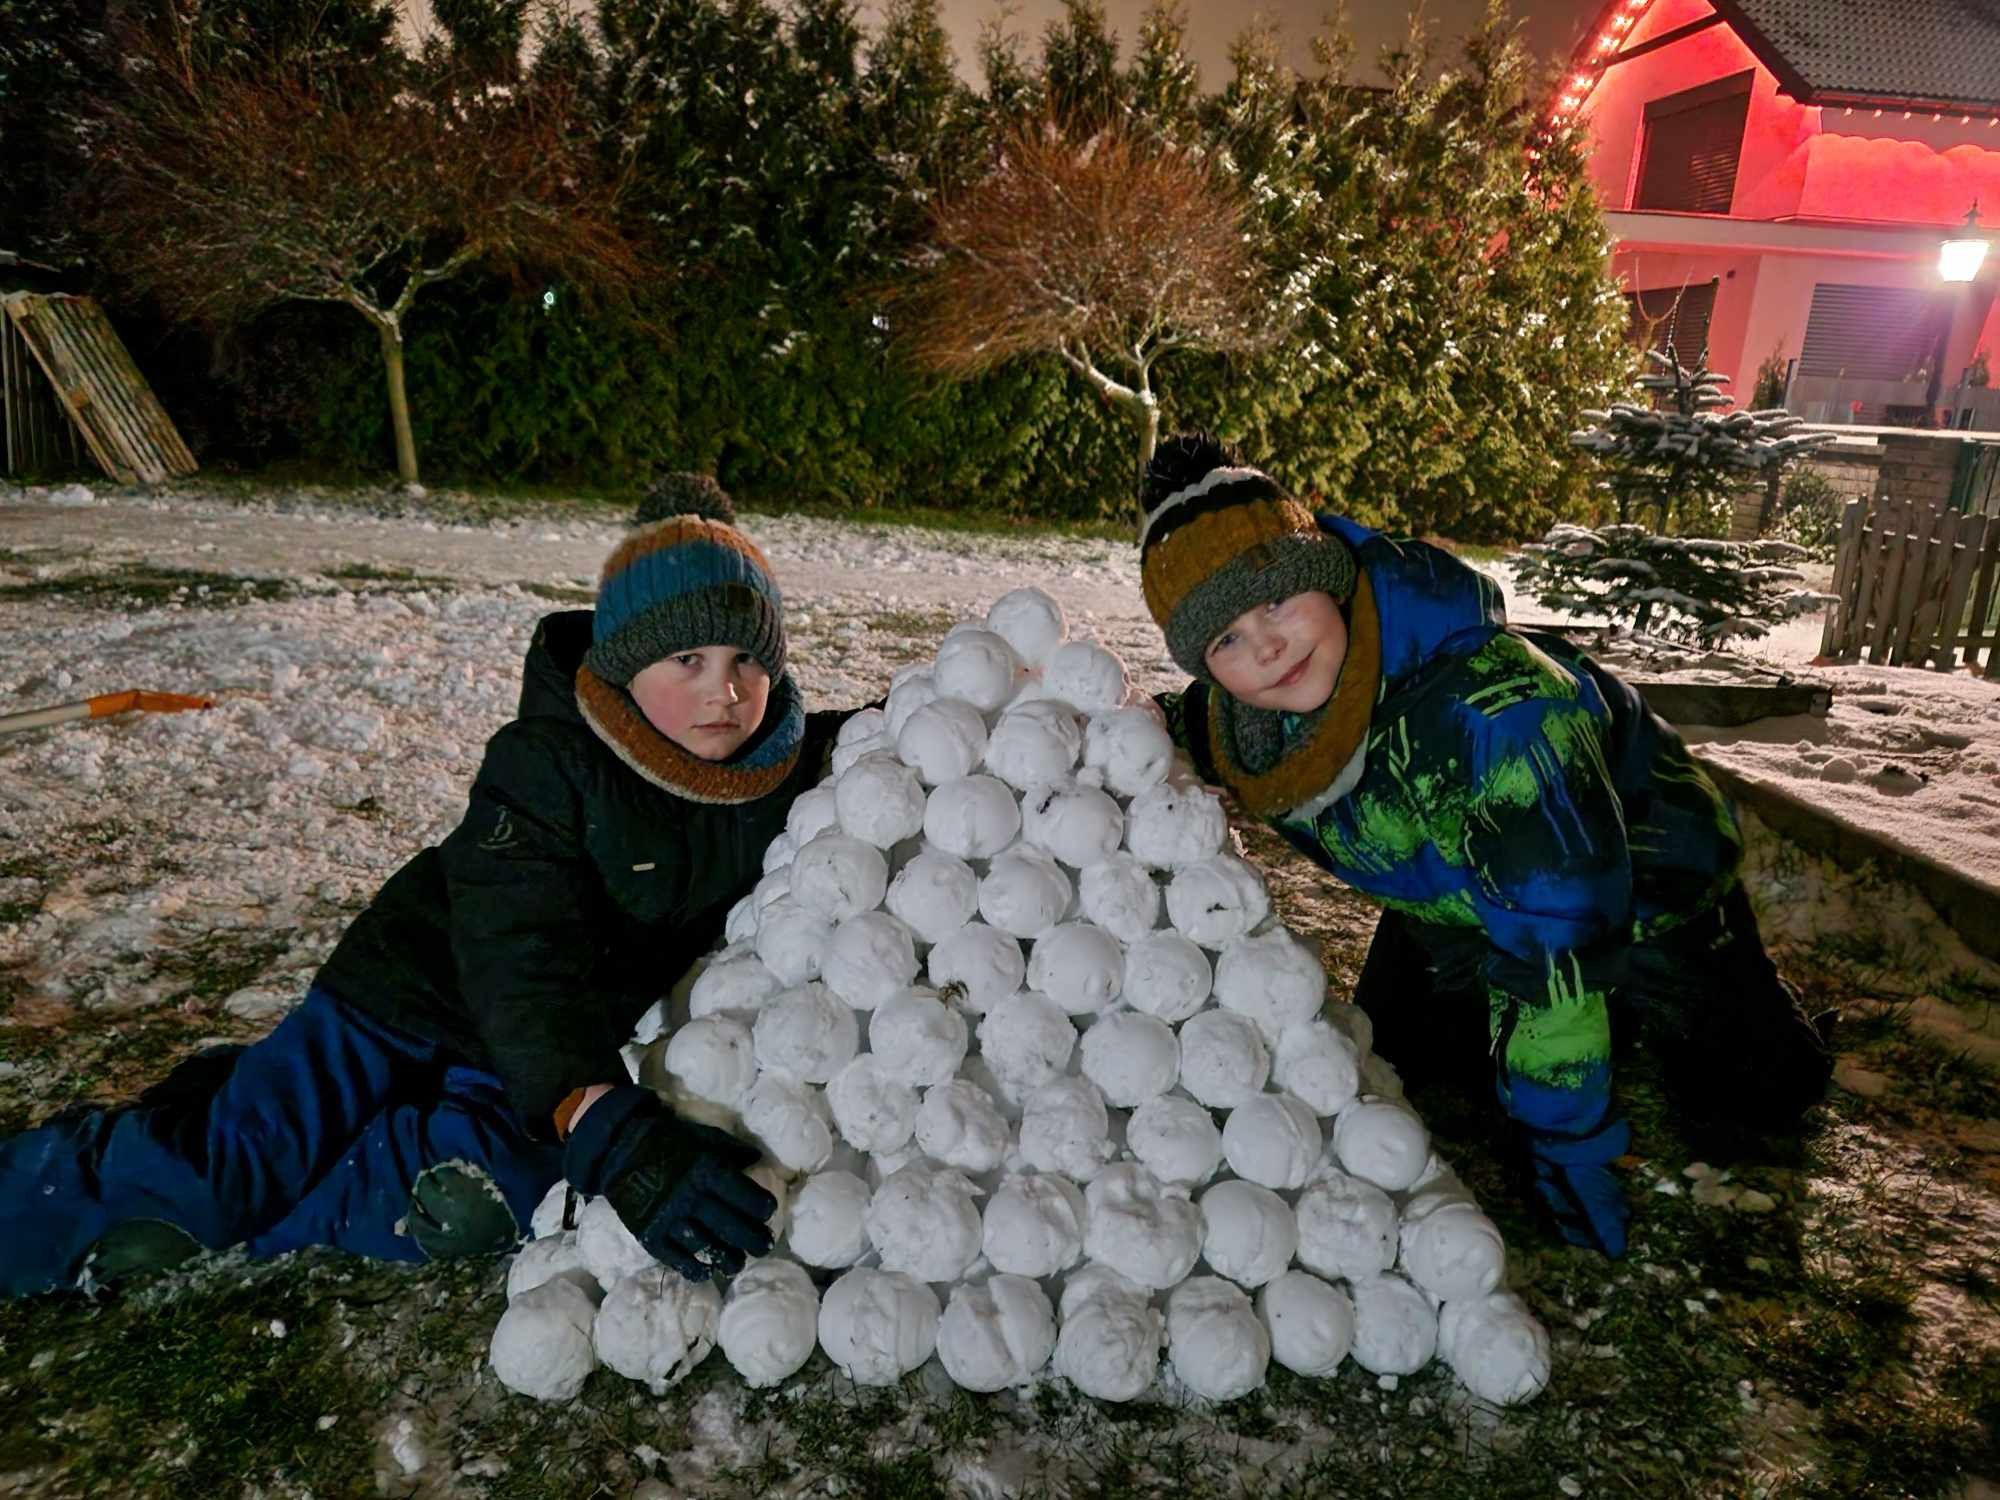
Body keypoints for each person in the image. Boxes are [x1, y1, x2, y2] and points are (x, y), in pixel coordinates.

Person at [2, 477, 851, 1296]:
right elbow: (513, 955)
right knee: (219, 1181)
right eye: (687, 659)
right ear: (625, 665)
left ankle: (313, 1171)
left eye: (749, 658)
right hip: (404, 1001)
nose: (725, 691)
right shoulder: (547, 767)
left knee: (468, 1208)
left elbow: (917, 726)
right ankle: (80, 1178)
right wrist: (605, 1128)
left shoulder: (782, 769)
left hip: (523, 1060)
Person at [1139, 432, 1831, 1257]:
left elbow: (1558, 944)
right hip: (1451, 894)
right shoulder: (1252, 722)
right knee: (1403, 1071)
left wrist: (1570, 1142)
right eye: (1225, 641)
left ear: (1323, 575)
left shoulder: (1500, 718)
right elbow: (1177, 727)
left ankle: (1760, 1019)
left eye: (1276, 602)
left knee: (1754, 1089)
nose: (1266, 647)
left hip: (1637, 888)